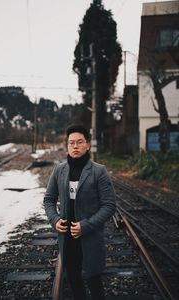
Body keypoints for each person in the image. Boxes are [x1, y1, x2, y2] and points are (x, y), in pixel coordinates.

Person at [43, 124, 116, 300]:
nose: (75, 146)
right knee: (74, 280)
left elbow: (109, 205)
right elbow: (49, 200)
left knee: (93, 280)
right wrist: (54, 219)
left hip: (90, 238)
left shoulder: (99, 171)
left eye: (79, 142)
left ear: (88, 145)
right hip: (67, 239)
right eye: (71, 143)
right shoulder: (59, 171)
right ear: (67, 146)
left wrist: (86, 225)